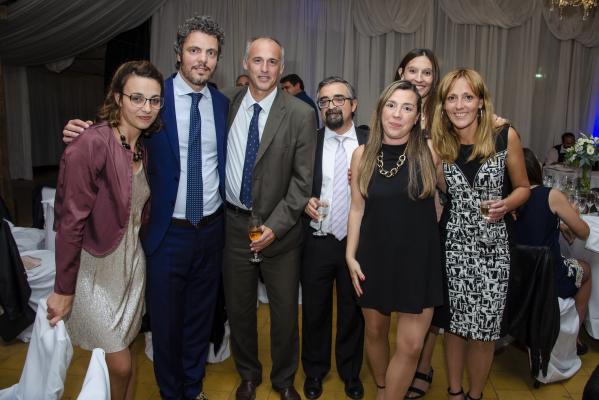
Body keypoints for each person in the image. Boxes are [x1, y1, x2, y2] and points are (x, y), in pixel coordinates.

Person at [61, 15, 229, 400]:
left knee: (200, 319)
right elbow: (116, 131)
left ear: (217, 59)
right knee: (165, 323)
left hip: (211, 229)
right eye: (194, 50)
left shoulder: (222, 103)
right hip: (166, 233)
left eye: (210, 52)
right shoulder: (154, 97)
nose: (202, 59)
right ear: (179, 53)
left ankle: (193, 389)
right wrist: (83, 131)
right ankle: (171, 392)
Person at [47, 60, 163, 400]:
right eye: (137, 98)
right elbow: (70, 221)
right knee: (121, 364)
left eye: (154, 100)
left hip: (131, 267)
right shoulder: (91, 143)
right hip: (95, 268)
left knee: (126, 352)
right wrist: (63, 288)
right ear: (117, 98)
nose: (146, 108)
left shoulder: (143, 146)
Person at [222, 37, 316, 400]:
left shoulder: (300, 114)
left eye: (272, 62)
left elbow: (302, 182)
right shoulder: (225, 102)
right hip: (234, 226)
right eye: (258, 60)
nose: (264, 68)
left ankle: (284, 379)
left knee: (285, 313)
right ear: (245, 63)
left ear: (282, 67)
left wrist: (274, 228)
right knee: (240, 309)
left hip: (282, 230)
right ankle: (248, 374)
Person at [430, 68, 530, 400]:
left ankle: (475, 395)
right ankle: (455, 392)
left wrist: (506, 204)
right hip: (453, 247)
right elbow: (432, 188)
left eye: (467, 97)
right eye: (452, 98)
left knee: (484, 331)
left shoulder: (505, 136)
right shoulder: (440, 144)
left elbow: (524, 188)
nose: (459, 105)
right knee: (454, 327)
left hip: (494, 249)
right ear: (443, 105)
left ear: (481, 101)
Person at [346, 80, 443, 400]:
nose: (397, 114)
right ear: (380, 110)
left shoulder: (430, 152)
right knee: (375, 333)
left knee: (411, 346)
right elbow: (357, 209)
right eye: (391, 105)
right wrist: (350, 256)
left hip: (418, 260)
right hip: (374, 257)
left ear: (418, 117)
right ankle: (384, 387)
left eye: (407, 108)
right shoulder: (361, 155)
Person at [300, 76, 366, 400]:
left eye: (339, 98)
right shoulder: (308, 141)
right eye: (324, 100)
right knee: (315, 310)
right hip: (318, 239)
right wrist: (303, 201)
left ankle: (351, 372)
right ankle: (314, 371)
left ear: (353, 105)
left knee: (353, 311)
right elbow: (292, 181)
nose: (331, 105)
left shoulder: (372, 142)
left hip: (358, 242)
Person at [515, 148, 591, 354]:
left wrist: (560, 224)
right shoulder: (550, 195)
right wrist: (573, 215)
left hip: (518, 278)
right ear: (536, 168)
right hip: (548, 279)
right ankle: (574, 339)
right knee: (587, 270)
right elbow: (584, 232)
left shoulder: (508, 198)